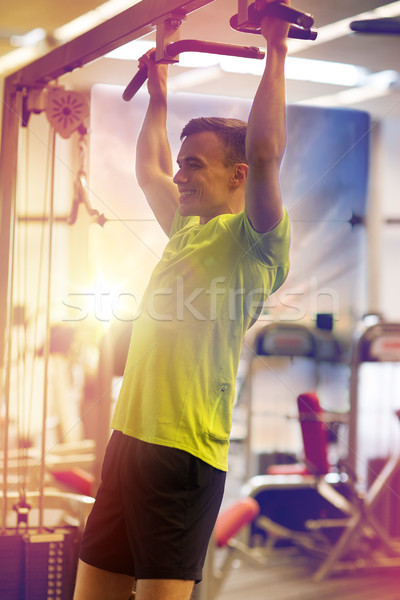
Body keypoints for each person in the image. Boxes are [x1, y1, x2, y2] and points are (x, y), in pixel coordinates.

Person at [73, 1, 291, 599]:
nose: (181, 176)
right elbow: (148, 171)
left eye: (195, 166)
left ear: (238, 175)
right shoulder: (187, 231)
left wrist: (275, 47)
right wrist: (160, 95)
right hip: (128, 442)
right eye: (183, 165)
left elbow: (270, 151)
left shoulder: (255, 240)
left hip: (183, 454)